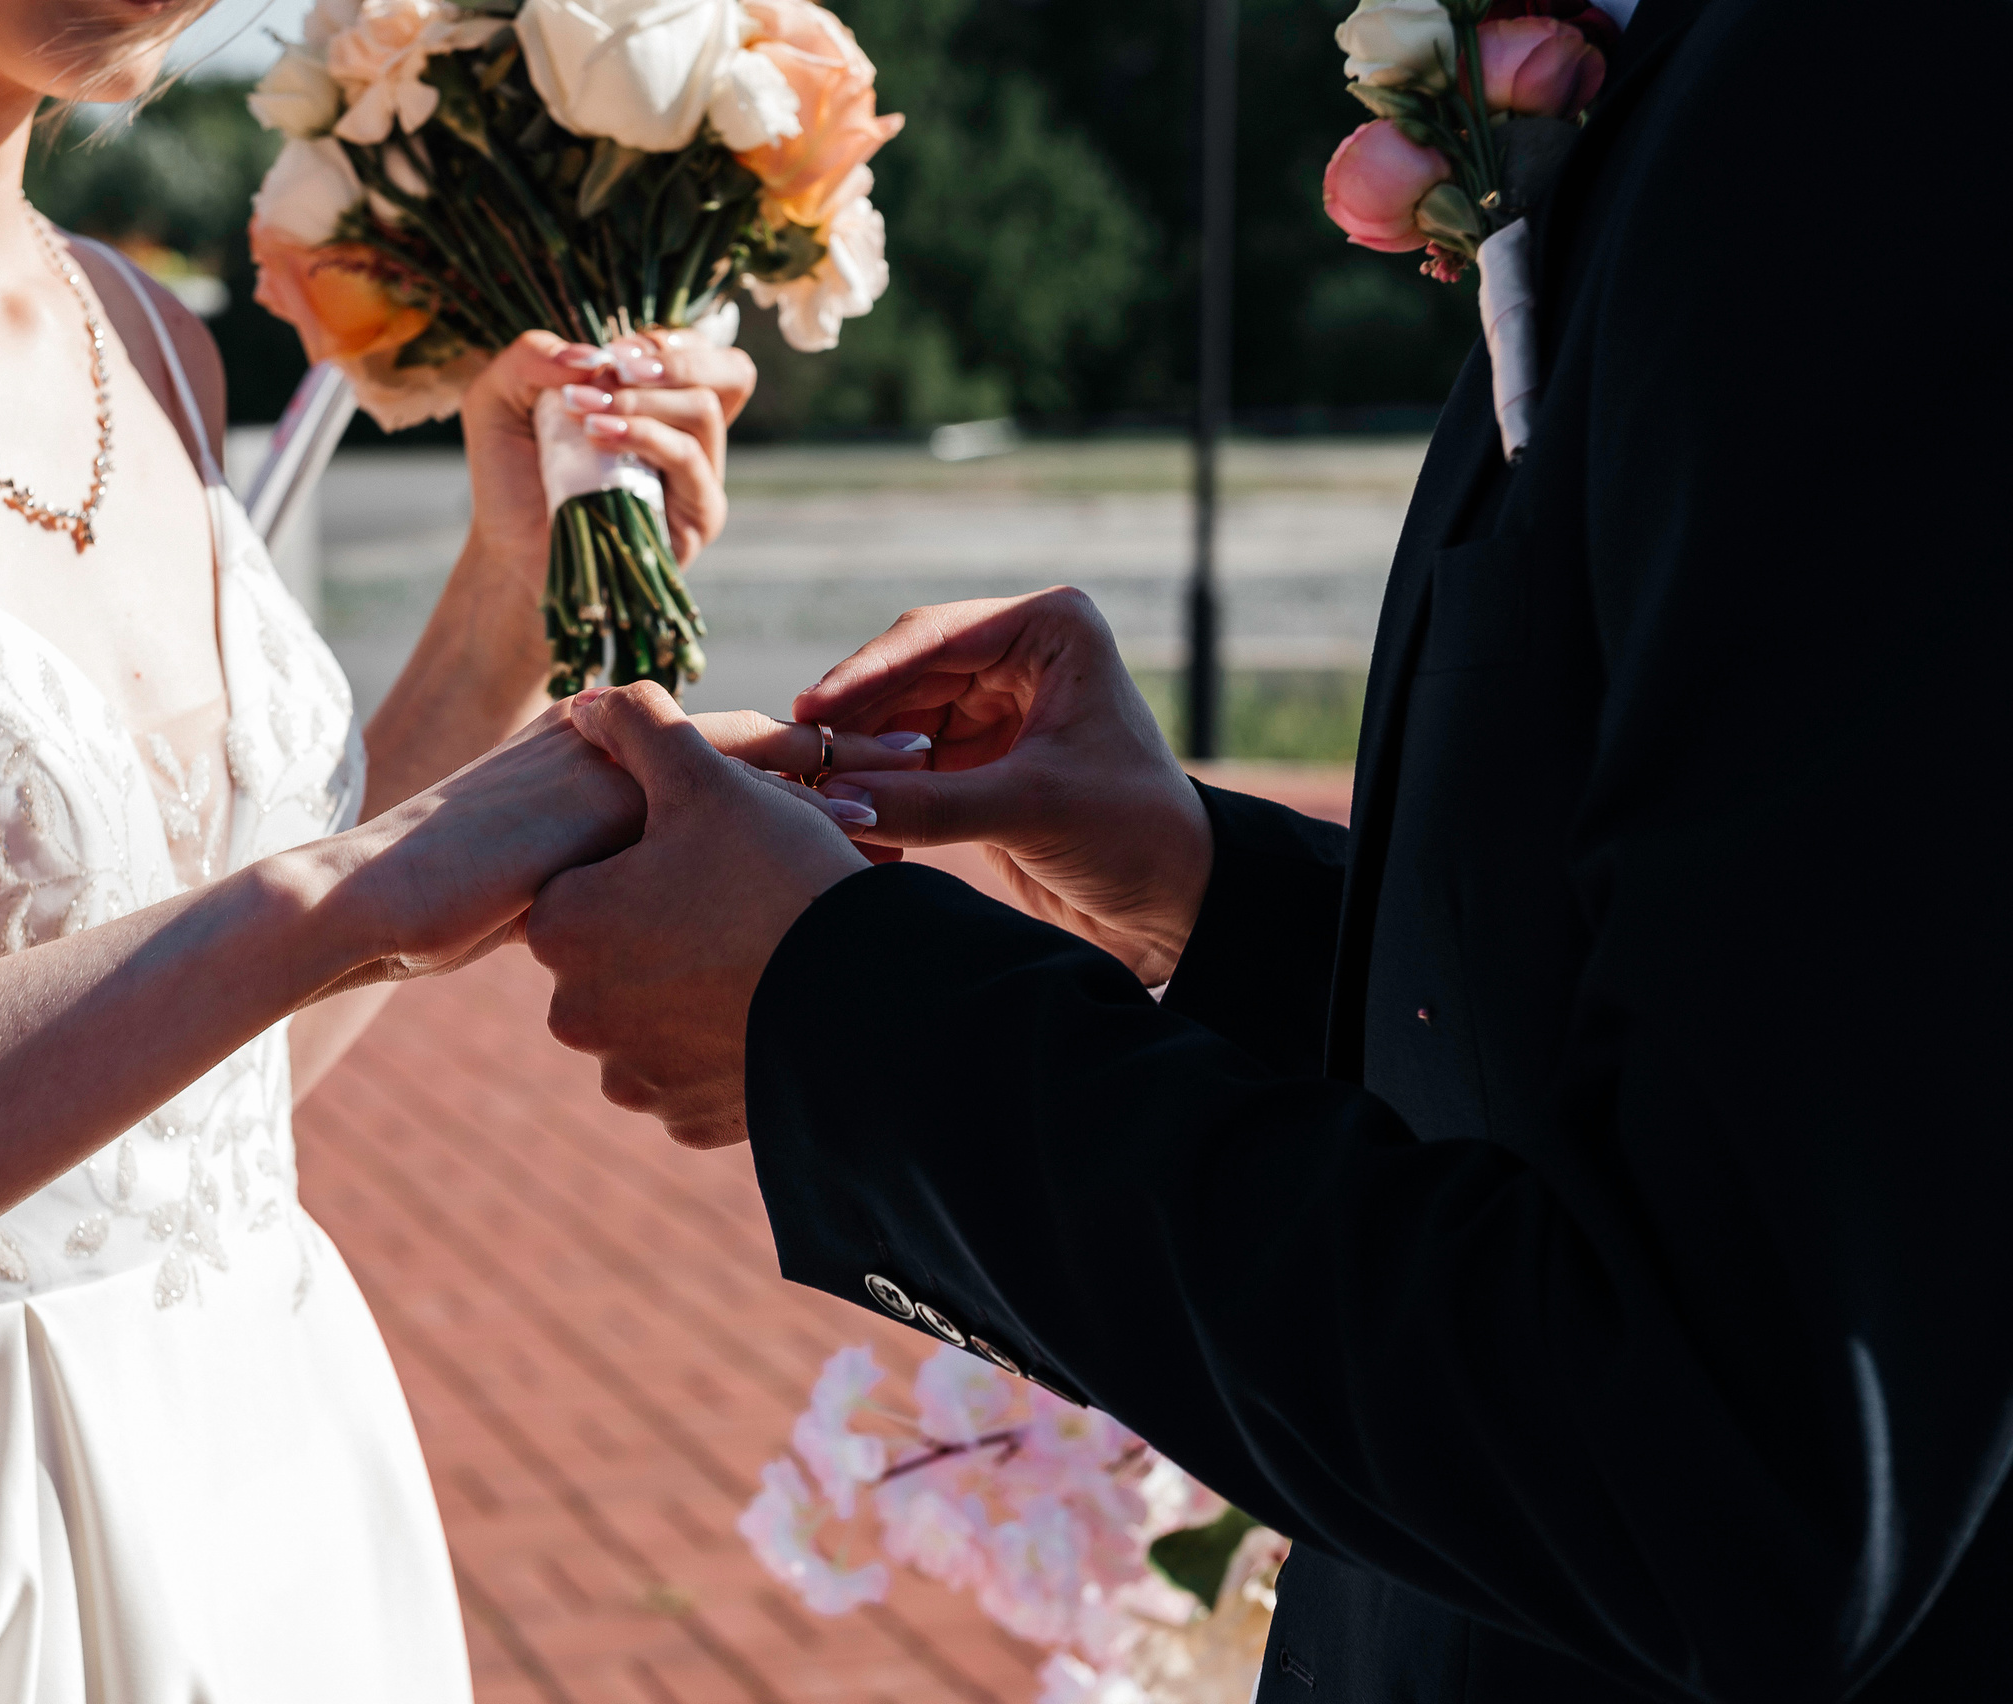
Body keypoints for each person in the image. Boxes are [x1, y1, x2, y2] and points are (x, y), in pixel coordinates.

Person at [527, 0, 2013, 1696]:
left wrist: (845, 1016)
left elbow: (1736, 1459)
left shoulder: (1888, 95)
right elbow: (1747, 1053)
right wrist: (1203, 894)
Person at [0, 0, 921, 1695]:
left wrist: (505, 606)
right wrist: (337, 895)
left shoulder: (148, 334)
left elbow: (196, 1105)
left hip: (277, 1519)